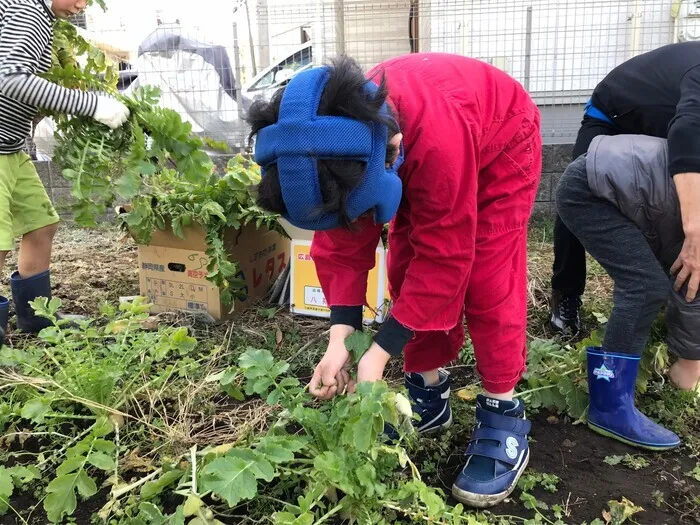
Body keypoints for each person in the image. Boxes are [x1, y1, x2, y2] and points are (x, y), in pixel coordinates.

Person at [247, 53, 541, 507]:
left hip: (499, 135)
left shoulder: (435, 140)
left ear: (395, 148)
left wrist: (380, 353)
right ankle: (429, 391)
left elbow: (445, 256)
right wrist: (341, 337)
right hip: (417, 140)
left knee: (486, 269)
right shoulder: (329, 135)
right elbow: (342, 242)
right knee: (404, 260)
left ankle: (503, 410)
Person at [556, 132, 700, 450]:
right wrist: (690, 366)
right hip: (590, 191)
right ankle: (610, 408)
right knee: (645, 286)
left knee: (655, 280)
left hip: (610, 179)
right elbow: (691, 286)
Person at [0, 0, 131, 349]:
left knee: (41, 224)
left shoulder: (42, 16)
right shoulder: (25, 10)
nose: (82, 4)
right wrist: (91, 105)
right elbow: (11, 79)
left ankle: (38, 318)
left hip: (10, 148)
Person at [549, 41, 700, 336]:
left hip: (661, 127)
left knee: (668, 202)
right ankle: (565, 292)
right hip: (613, 116)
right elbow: (687, 133)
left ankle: (666, 289)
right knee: (578, 194)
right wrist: (695, 230)